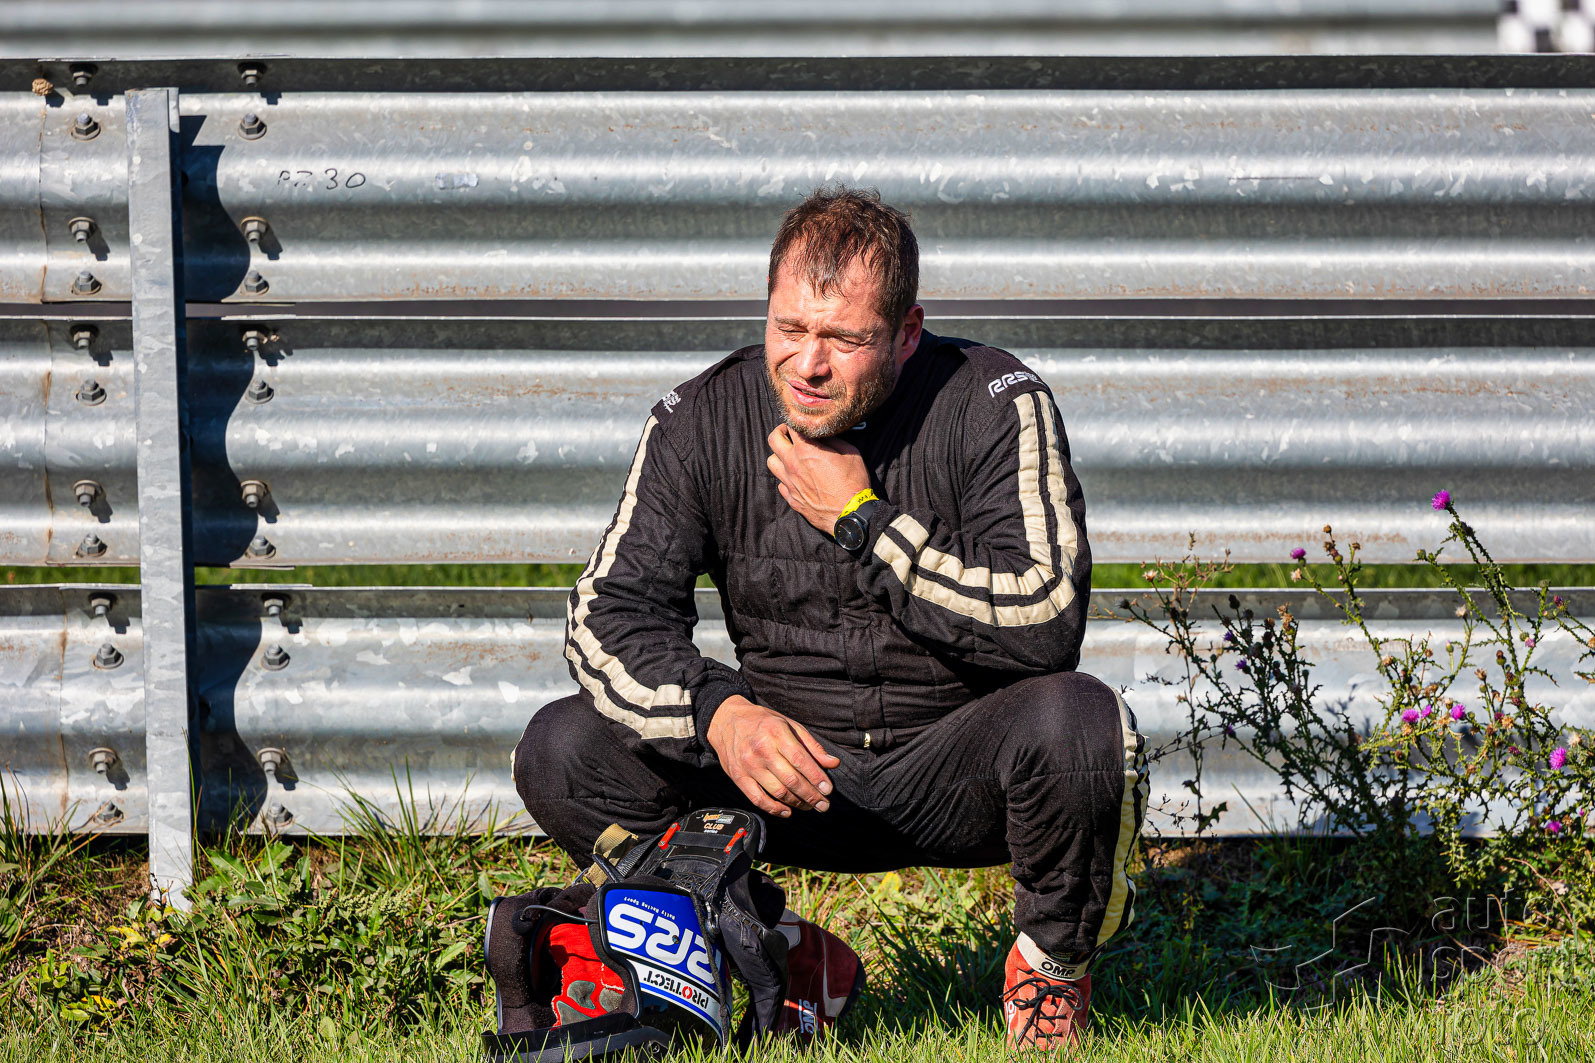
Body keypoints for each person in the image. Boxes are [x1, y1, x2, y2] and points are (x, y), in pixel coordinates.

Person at [507, 186, 1147, 1051]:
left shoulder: (994, 398)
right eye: (788, 329)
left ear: (907, 332)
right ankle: (769, 947)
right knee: (560, 748)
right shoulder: (702, 417)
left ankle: (1048, 976)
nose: (807, 363)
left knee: (1080, 723)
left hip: (952, 771)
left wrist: (865, 520)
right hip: (782, 774)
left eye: (844, 339)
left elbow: (1045, 613)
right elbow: (606, 616)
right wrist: (720, 714)